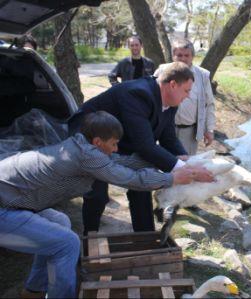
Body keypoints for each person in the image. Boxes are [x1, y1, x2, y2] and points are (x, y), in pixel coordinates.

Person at [0, 111, 211, 298]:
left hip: (12, 200)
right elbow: (131, 179)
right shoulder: (86, 157)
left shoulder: (81, 146)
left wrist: (170, 160)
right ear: (99, 142)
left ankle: (33, 291)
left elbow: (121, 162)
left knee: (60, 221)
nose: (116, 148)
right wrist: (172, 178)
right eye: (113, 144)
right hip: (4, 206)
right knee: (67, 244)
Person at [69, 62, 207, 234]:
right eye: (186, 90)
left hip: (123, 139)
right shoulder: (139, 94)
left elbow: (168, 138)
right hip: (91, 139)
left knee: (145, 176)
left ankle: (145, 234)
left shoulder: (171, 101)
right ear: (172, 85)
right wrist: (185, 169)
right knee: (97, 191)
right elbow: (145, 145)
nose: (188, 96)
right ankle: (90, 236)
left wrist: (185, 158)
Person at [155, 39, 215, 155]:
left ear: (192, 56)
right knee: (163, 164)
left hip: (190, 133)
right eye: (179, 55)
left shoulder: (203, 75)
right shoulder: (162, 70)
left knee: (187, 165)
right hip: (163, 129)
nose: (183, 58)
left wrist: (209, 129)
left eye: (186, 55)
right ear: (173, 56)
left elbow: (209, 104)